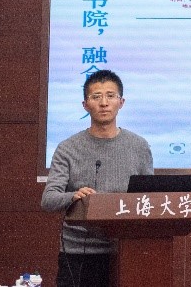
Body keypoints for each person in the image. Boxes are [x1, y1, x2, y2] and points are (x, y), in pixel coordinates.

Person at [42, 70, 154, 287]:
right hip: (78, 254)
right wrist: (74, 196)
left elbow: (149, 199)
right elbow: (48, 199)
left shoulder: (139, 146)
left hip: (126, 251)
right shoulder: (68, 148)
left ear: (121, 102)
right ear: (85, 105)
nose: (104, 103)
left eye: (111, 96)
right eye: (96, 97)